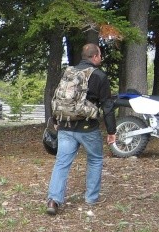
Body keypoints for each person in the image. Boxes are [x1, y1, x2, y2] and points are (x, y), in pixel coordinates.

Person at [46, 43, 116, 216]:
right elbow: (107, 105)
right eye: (100, 55)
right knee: (95, 159)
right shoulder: (99, 76)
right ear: (94, 57)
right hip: (87, 128)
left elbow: (59, 97)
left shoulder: (68, 72)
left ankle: (53, 200)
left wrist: (55, 120)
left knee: (62, 163)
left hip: (65, 125)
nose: (101, 58)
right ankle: (91, 198)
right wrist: (111, 131)